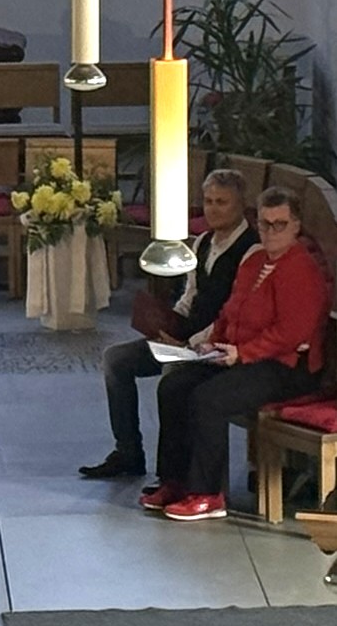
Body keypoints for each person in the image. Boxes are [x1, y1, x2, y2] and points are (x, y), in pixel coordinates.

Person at [143, 186, 330, 521]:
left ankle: (207, 493)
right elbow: (230, 311)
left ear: (296, 226)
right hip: (242, 355)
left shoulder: (302, 268)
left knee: (209, 398)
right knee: (174, 386)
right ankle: (175, 481)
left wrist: (241, 353)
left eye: (279, 224)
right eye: (264, 224)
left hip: (288, 366)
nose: (271, 232)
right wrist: (213, 342)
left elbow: (291, 333)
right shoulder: (255, 260)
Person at [80, 169, 260, 479]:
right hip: (186, 338)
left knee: (174, 375)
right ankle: (128, 452)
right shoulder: (202, 241)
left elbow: (235, 313)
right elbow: (190, 296)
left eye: (222, 202)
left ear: (241, 205)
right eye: (208, 201)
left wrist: (190, 344)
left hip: (219, 346)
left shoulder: (251, 250)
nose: (213, 208)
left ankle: (175, 475)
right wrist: (168, 326)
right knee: (116, 359)